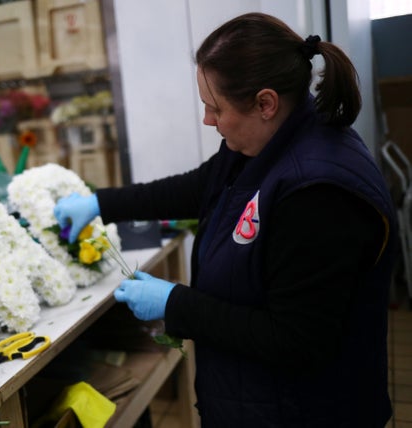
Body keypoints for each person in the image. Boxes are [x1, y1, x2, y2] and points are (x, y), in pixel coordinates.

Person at [53, 12, 396, 428]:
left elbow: (296, 341)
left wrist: (174, 304)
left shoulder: (318, 193)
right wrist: (99, 203)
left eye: (214, 108)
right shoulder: (269, 139)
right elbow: (201, 186)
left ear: (265, 103)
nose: (207, 120)